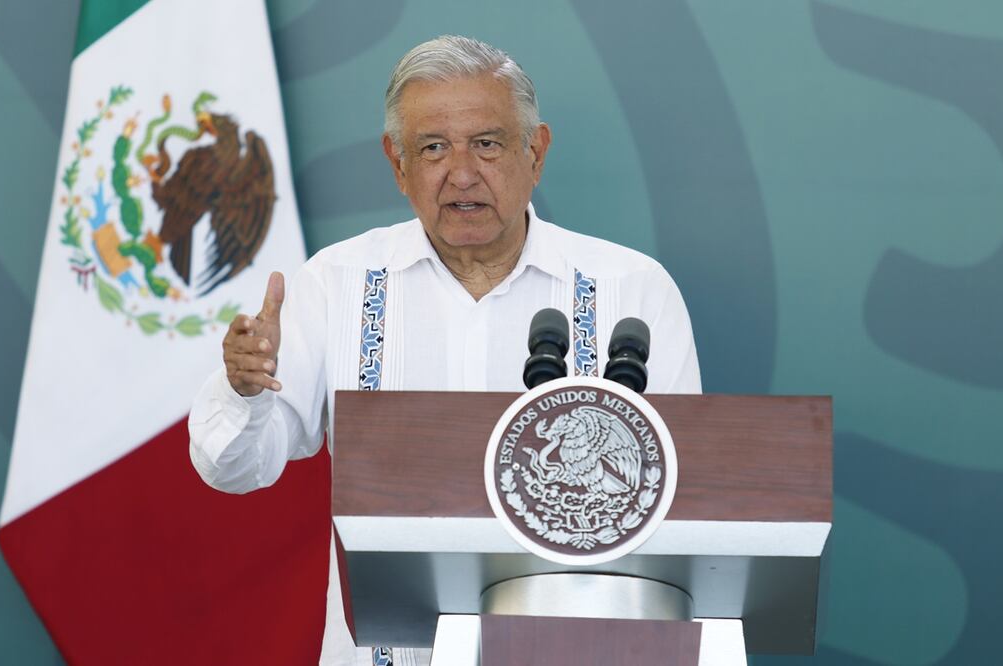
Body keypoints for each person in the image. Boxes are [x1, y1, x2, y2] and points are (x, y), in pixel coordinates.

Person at [189, 35, 701, 666]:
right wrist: (243, 390)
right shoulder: (335, 283)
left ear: (535, 152)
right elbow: (235, 469)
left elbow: (681, 507)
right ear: (397, 164)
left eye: (487, 144)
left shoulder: (633, 292)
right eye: (433, 148)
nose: (462, 172)